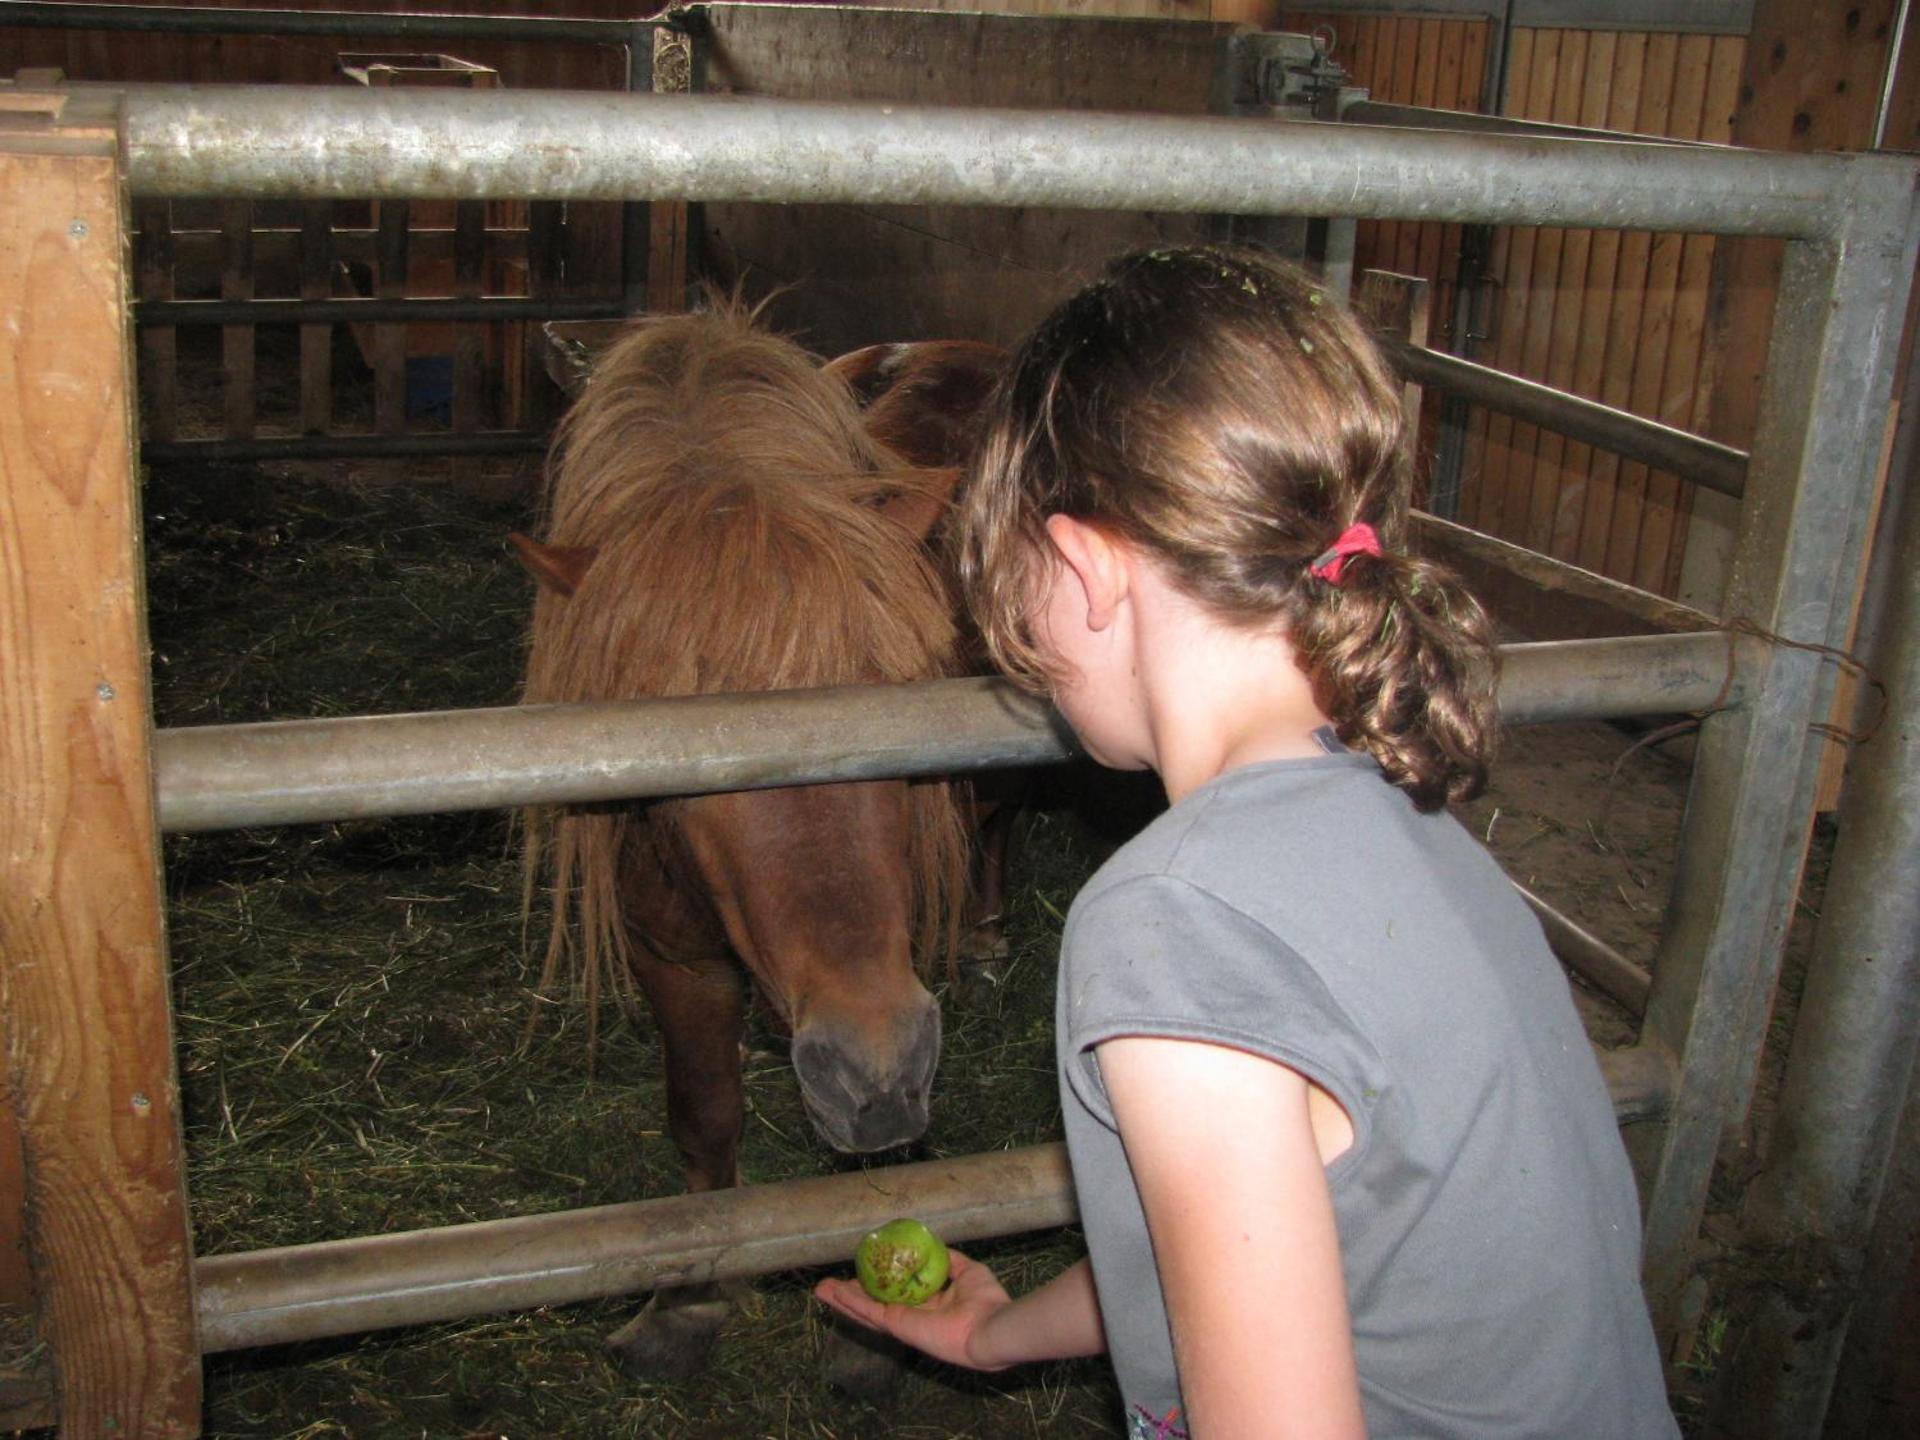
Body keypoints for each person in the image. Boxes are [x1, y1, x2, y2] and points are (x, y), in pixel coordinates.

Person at [813, 245, 1678, 1440]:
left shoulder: (1176, 920)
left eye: (1002, 582)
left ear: (1086, 566)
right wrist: (996, 1333)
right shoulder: (1400, 814)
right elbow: (1264, 1251)